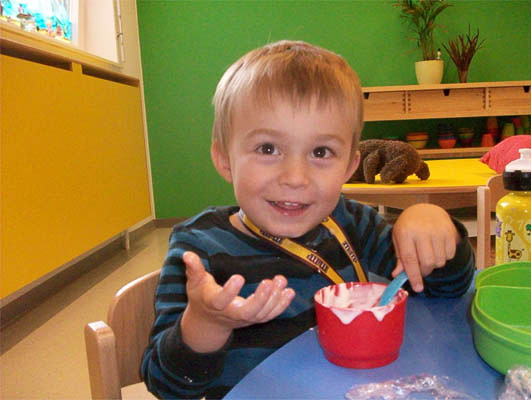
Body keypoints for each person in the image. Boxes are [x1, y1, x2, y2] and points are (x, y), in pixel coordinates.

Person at [141, 40, 475, 399]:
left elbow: (444, 288)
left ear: (349, 166)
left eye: (321, 152)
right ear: (225, 159)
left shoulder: (353, 222)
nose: (295, 177)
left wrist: (434, 228)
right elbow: (166, 385)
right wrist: (207, 323)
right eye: (268, 148)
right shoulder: (198, 250)